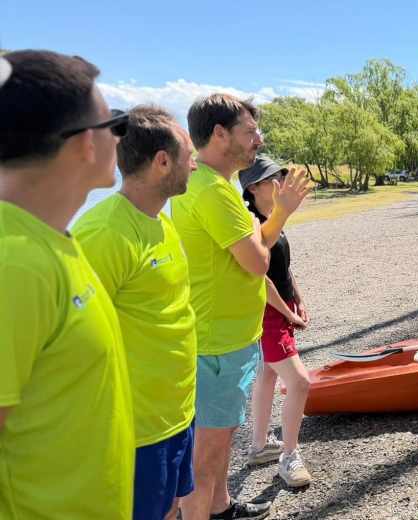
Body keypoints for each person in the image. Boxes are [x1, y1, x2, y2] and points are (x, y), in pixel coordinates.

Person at [0, 50, 134, 519]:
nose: (121, 138)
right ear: (84, 144)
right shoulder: (13, 262)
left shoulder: (47, 239)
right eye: (115, 124)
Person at [172, 94, 310, 520]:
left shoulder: (214, 184)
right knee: (206, 457)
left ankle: (221, 508)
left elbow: (254, 248)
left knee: (219, 440)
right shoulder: (212, 190)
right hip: (217, 343)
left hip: (224, 338)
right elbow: (257, 262)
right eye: (250, 131)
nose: (259, 139)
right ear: (219, 134)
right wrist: (281, 213)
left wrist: (259, 228)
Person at [72, 106, 198, 520]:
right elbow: (72, 341)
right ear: (163, 161)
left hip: (178, 413)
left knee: (173, 508)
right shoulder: (103, 233)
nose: (194, 164)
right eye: (189, 155)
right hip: (137, 430)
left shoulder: (161, 222)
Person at [240, 156, 313, 488]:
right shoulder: (250, 223)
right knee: (299, 382)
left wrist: (300, 298)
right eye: (273, 180)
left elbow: (283, 270)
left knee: (267, 375)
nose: (280, 185)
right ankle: (288, 455)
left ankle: (258, 446)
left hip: (282, 310)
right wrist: (288, 313)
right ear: (253, 188)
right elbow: (261, 281)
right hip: (269, 314)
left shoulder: (272, 220)